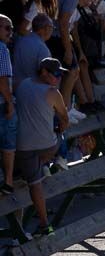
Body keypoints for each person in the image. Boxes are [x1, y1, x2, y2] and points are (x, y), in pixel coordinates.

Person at [15, 58, 68, 235]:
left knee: (33, 182)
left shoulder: (22, 84)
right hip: (46, 147)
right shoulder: (53, 92)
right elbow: (65, 119)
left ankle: (44, 224)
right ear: (44, 73)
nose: (59, 78)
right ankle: (45, 223)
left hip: (22, 148)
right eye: (57, 74)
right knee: (61, 135)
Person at [0, 15, 15, 195]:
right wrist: (10, 103)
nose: (10, 33)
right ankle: (9, 181)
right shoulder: (2, 49)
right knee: (9, 143)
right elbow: (2, 79)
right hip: (2, 103)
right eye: (6, 28)